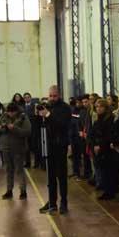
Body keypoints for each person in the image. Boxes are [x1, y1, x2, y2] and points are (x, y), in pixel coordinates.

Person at [38, 85, 71, 215]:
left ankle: (64, 202)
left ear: (59, 95)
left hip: (60, 145)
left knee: (61, 176)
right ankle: (52, 202)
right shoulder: (48, 106)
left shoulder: (65, 108)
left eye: (54, 96)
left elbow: (62, 124)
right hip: (49, 144)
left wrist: (48, 115)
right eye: (50, 96)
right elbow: (42, 125)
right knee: (50, 176)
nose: (52, 98)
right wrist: (39, 114)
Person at [0, 102, 31, 200]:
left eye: (12, 112)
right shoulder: (4, 116)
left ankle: (23, 191)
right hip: (5, 147)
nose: (10, 114)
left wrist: (14, 129)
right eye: (8, 112)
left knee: (19, 170)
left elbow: (27, 131)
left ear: (16, 111)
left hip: (18, 148)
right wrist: (1, 128)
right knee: (8, 170)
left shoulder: (23, 117)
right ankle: (9, 190)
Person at [91, 99, 116, 200]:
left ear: (105, 108)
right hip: (98, 148)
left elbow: (109, 135)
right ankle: (105, 189)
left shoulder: (110, 119)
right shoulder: (97, 120)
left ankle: (110, 191)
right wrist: (94, 145)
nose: (98, 108)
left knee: (109, 171)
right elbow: (92, 134)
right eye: (97, 107)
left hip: (107, 149)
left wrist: (100, 145)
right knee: (102, 170)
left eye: (101, 106)